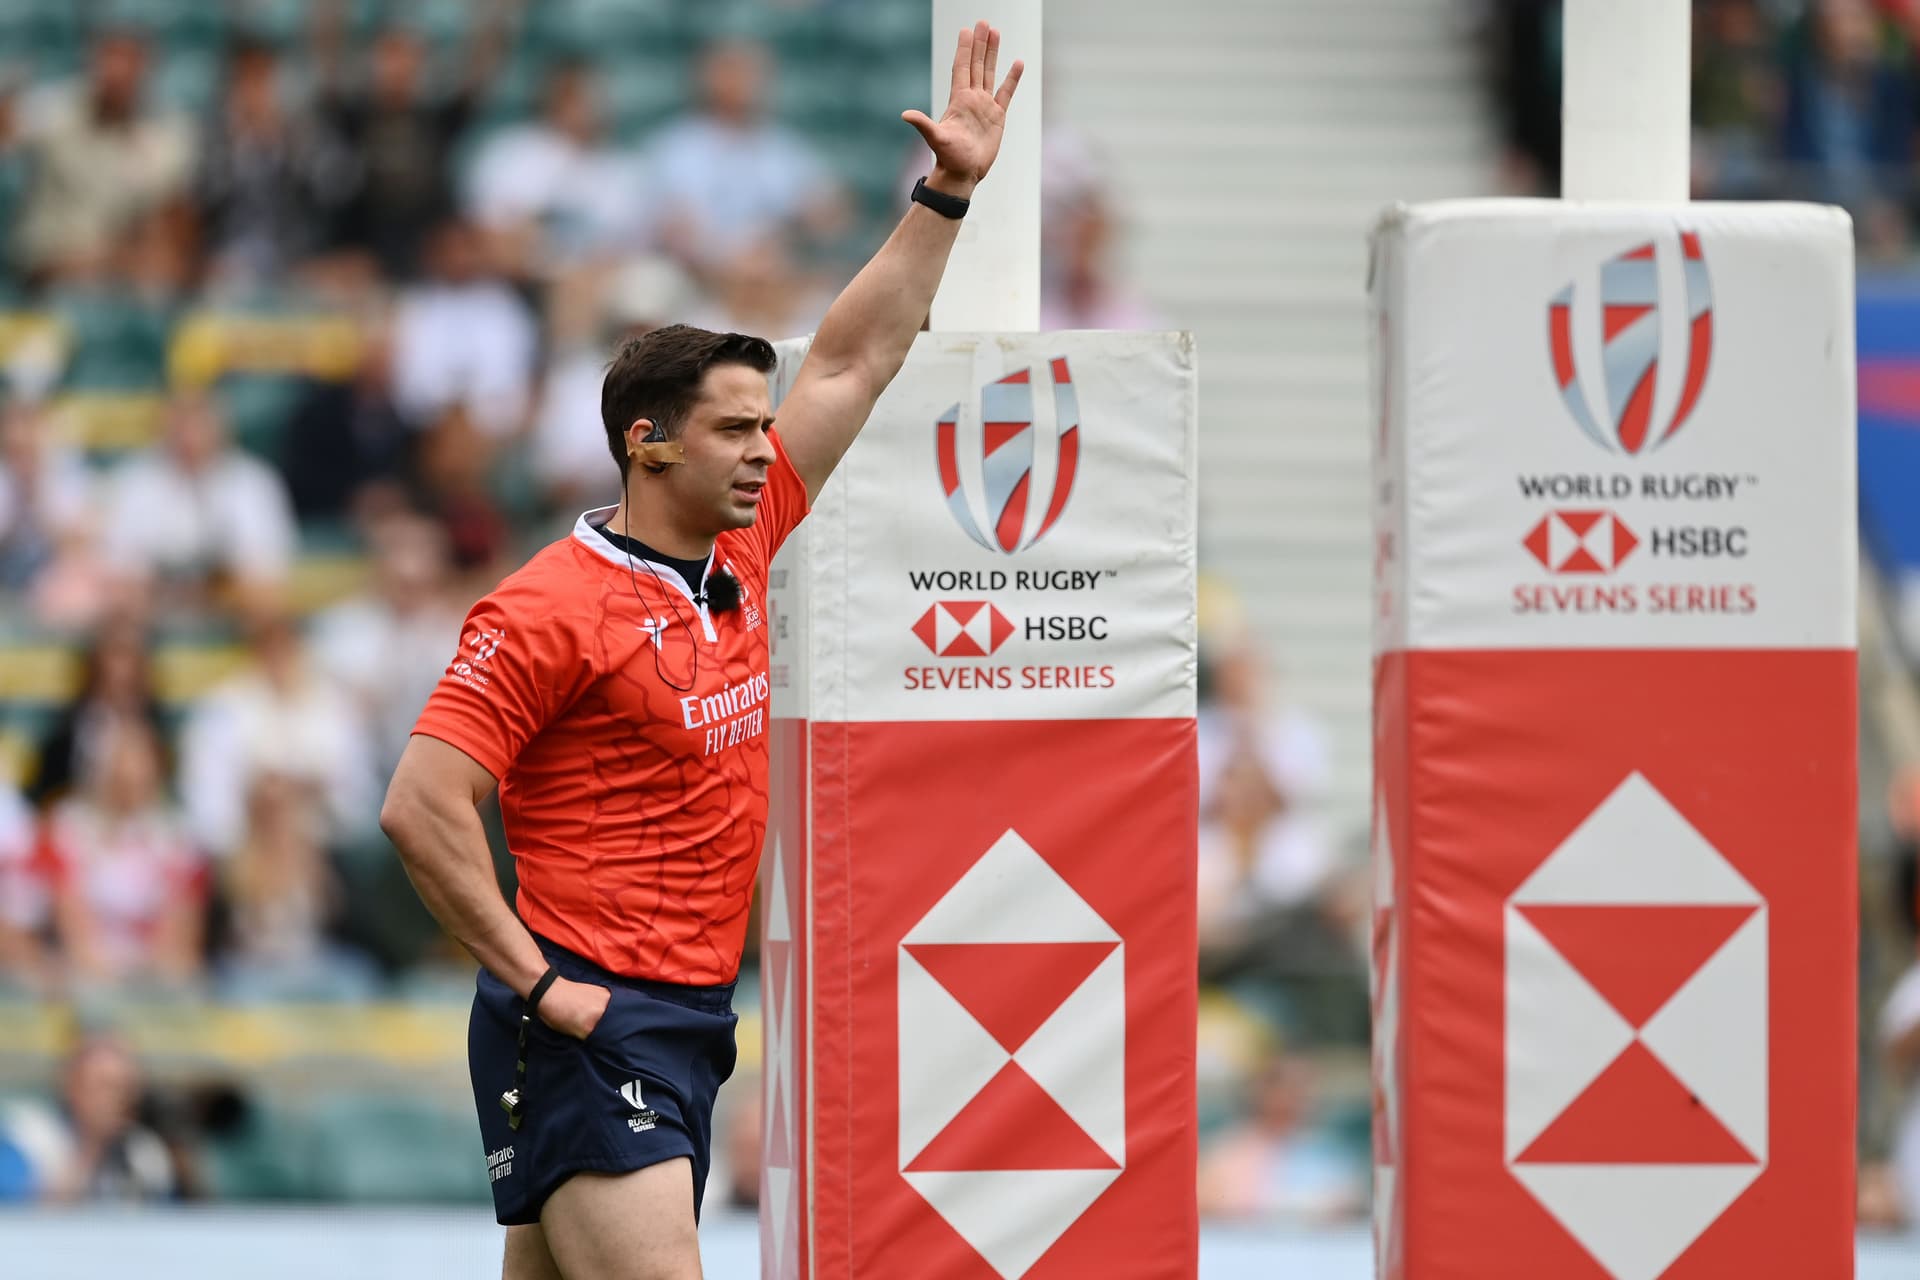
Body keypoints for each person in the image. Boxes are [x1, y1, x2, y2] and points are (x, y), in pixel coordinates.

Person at [380, 25, 1023, 1279]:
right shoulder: (547, 606)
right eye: (732, 428)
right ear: (648, 443)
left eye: (762, 427)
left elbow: (855, 354)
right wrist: (535, 981)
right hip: (590, 1016)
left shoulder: (745, 538)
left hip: (686, 1012)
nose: (759, 449)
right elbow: (421, 803)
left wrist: (947, 192)